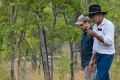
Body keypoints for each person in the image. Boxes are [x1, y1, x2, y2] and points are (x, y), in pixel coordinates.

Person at [87, 4, 115, 80]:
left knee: (99, 77)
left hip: (107, 55)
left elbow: (109, 42)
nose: (92, 18)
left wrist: (96, 35)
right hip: (98, 55)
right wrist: (92, 60)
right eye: (91, 16)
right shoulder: (95, 26)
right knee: (104, 77)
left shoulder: (109, 25)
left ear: (99, 14)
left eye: (93, 15)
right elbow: (96, 46)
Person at [75, 15, 96, 80]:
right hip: (86, 63)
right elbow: (83, 49)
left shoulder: (93, 31)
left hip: (92, 63)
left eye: (81, 25)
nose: (80, 27)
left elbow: (96, 48)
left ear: (87, 22)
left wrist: (93, 62)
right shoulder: (84, 33)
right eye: (79, 25)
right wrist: (82, 63)